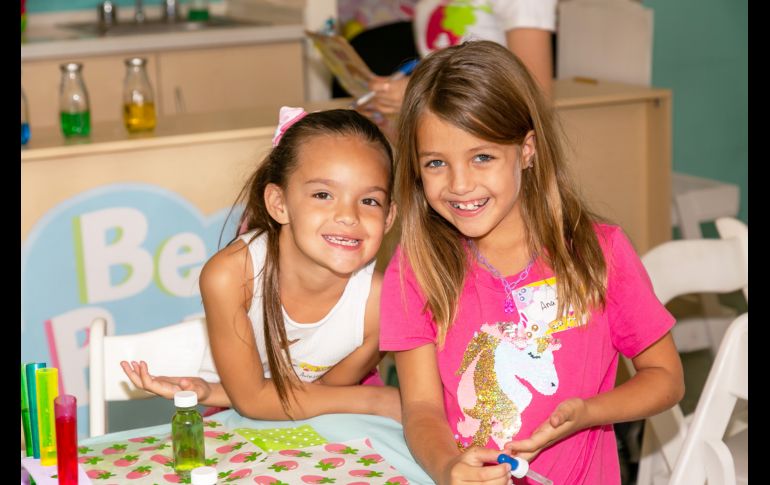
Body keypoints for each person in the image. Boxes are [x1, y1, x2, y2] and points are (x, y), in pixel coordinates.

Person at [379, 41, 684, 484]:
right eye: (436, 164)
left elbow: (667, 378)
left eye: (482, 157)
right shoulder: (416, 268)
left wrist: (589, 412)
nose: (460, 184)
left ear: (526, 149)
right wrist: (448, 468)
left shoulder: (600, 254)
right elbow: (422, 408)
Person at [122, 107, 401, 422]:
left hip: (334, 411)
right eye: (323, 194)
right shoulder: (230, 275)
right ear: (279, 204)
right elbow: (254, 402)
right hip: (270, 413)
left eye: (369, 201)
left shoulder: (383, 304)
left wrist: (213, 390)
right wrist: (378, 399)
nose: (349, 216)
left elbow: (325, 395)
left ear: (389, 217)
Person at [360, 0, 556, 141]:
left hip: (493, 145)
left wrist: (420, 91)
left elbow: (535, 95)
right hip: (446, 145)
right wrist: (385, 118)